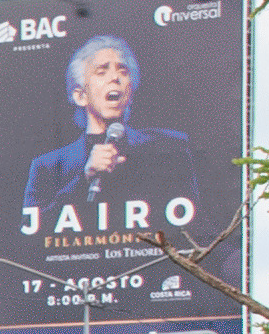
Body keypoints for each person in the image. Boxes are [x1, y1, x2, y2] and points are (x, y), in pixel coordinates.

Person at [11, 26, 198, 241]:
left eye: (123, 71)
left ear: (130, 89)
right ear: (81, 96)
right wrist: (84, 178)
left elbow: (193, 227)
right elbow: (30, 236)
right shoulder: (49, 166)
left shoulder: (168, 148)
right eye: (102, 71)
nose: (115, 78)